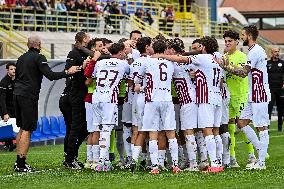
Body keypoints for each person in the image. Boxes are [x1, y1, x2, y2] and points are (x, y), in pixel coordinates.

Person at [13, 35, 79, 172]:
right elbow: (50, 75)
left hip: (17, 94)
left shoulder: (20, 58)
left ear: (27, 44)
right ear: (39, 44)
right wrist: (68, 72)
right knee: (27, 129)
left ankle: (18, 162)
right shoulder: (39, 57)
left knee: (21, 128)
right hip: (28, 96)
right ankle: (21, 164)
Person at [220, 25, 270, 170]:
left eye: (243, 35)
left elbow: (243, 73)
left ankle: (261, 162)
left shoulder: (255, 51)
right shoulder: (253, 50)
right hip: (252, 93)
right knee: (242, 122)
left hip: (259, 92)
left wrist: (227, 67)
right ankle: (262, 151)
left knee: (261, 126)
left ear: (248, 35)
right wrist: (228, 66)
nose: (241, 37)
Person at [134, 40, 181, 175]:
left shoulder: (147, 61)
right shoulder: (170, 63)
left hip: (152, 100)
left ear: (153, 49)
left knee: (153, 133)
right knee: (171, 133)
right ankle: (175, 165)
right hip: (167, 99)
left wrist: (140, 86)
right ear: (165, 49)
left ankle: (154, 166)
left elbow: (137, 80)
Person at [91, 43, 130, 171]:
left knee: (97, 128)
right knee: (107, 130)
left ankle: (98, 160)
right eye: (124, 52)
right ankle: (103, 163)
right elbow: (129, 78)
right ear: (119, 53)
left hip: (96, 97)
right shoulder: (123, 64)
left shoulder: (100, 62)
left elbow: (93, 76)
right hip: (109, 98)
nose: (125, 54)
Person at [222, 29, 256, 168]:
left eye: (230, 41)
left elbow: (241, 73)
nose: (227, 43)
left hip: (241, 95)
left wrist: (227, 66)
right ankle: (232, 158)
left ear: (237, 41)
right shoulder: (223, 56)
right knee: (230, 129)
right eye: (225, 41)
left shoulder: (241, 56)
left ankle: (251, 156)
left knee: (243, 126)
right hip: (229, 97)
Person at [63, 31, 93, 169]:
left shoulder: (86, 52)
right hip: (76, 94)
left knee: (84, 127)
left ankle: (71, 155)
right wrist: (83, 67)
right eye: (88, 37)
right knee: (75, 127)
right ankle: (69, 158)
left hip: (83, 94)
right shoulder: (73, 53)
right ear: (84, 39)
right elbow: (69, 70)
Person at [0, 63, 16, 151]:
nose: (13, 70)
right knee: (7, 125)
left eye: (14, 69)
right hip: (5, 107)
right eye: (11, 69)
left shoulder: (17, 80)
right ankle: (8, 145)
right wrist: (5, 113)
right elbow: (1, 99)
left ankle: (9, 144)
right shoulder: (4, 82)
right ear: (7, 70)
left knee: (15, 125)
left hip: (14, 108)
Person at [267, 47, 284, 131]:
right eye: (275, 52)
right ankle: (268, 126)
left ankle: (280, 127)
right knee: (269, 108)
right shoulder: (268, 63)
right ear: (271, 53)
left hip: (280, 89)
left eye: (278, 51)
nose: (277, 53)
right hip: (270, 89)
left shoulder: (282, 63)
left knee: (280, 108)